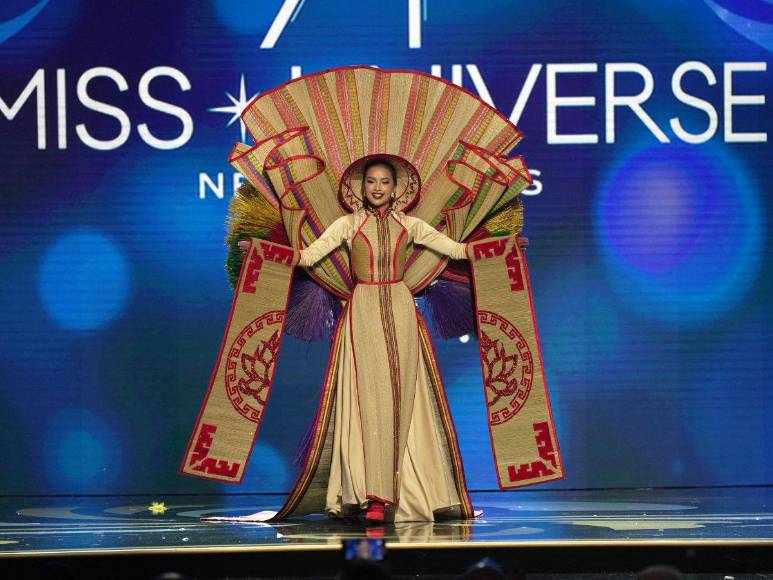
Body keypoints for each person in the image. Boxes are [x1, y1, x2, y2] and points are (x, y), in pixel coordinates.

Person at [240, 156, 475, 523]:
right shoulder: (347, 225)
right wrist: (263, 251)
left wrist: (506, 248)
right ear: (360, 187)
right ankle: (371, 496)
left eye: (384, 182)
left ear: (397, 188)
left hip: (400, 308)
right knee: (366, 398)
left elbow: (458, 250)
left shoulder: (411, 225)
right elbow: (307, 256)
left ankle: (406, 490)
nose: (378, 188)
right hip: (362, 308)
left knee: (404, 397)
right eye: (371, 182)